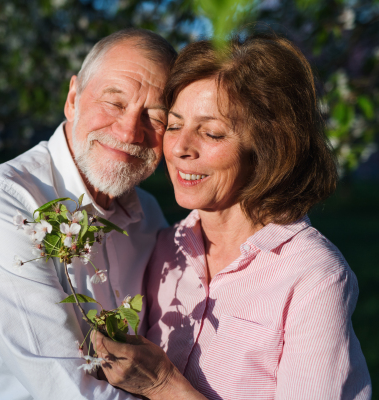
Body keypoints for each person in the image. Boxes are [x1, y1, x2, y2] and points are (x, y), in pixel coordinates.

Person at [93, 33, 372, 400]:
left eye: (211, 132)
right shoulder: (163, 245)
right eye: (174, 125)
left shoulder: (313, 276)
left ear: (268, 147)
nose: (179, 148)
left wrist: (164, 386)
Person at [0, 28, 177, 399]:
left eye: (154, 117)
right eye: (114, 103)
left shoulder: (149, 216)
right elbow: (71, 391)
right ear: (72, 99)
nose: (130, 131)